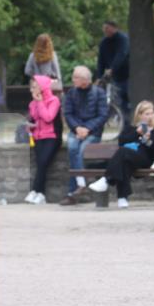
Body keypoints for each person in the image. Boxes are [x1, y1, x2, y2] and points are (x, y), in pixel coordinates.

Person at [88, 100, 154, 208]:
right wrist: (137, 133)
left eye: (152, 113)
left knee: (123, 154)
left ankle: (106, 180)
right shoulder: (132, 128)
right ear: (140, 115)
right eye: (147, 114)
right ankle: (122, 198)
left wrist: (149, 138)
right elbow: (122, 141)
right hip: (133, 157)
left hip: (149, 160)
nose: (150, 116)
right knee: (124, 161)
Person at [60, 65, 109, 206]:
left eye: (75, 77)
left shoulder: (99, 93)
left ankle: (74, 190)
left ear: (85, 80)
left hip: (93, 132)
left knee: (82, 151)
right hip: (76, 130)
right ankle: (81, 183)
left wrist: (87, 128)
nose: (73, 80)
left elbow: (103, 115)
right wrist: (77, 128)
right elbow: (68, 114)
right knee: (72, 147)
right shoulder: (71, 93)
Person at [24, 75, 61, 204]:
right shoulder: (32, 103)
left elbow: (48, 117)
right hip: (38, 137)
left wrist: (40, 102)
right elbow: (35, 118)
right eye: (31, 87)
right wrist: (30, 125)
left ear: (42, 87)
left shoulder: (54, 100)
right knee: (41, 164)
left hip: (52, 137)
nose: (31, 90)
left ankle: (35, 190)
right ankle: (40, 194)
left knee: (43, 162)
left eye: (34, 87)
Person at [97, 20, 130, 123]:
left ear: (114, 28)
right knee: (117, 97)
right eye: (104, 29)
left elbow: (122, 54)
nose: (105, 31)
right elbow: (101, 60)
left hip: (126, 74)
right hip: (114, 76)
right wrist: (99, 76)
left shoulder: (123, 39)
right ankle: (121, 119)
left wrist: (112, 68)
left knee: (125, 98)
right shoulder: (104, 42)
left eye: (107, 28)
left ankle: (127, 119)